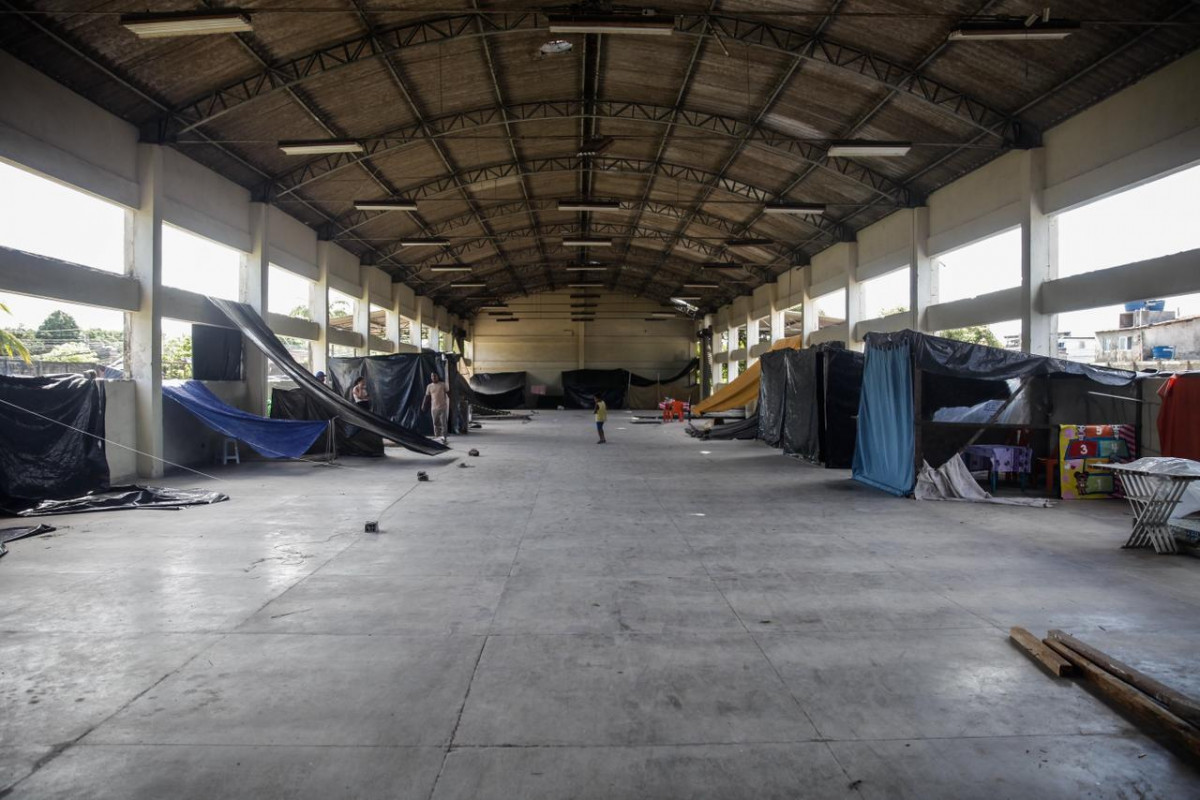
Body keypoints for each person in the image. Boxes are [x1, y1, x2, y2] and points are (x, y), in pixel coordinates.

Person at [422, 372, 450, 445]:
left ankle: (444, 437)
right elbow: (427, 397)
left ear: (438, 377)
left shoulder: (443, 385)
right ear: (431, 377)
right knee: (435, 423)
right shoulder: (429, 386)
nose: (433, 377)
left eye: (435, 376)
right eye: (432, 376)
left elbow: (449, 393)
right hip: (434, 408)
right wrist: (423, 405)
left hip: (443, 407)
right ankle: (437, 437)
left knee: (443, 423)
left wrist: (452, 403)